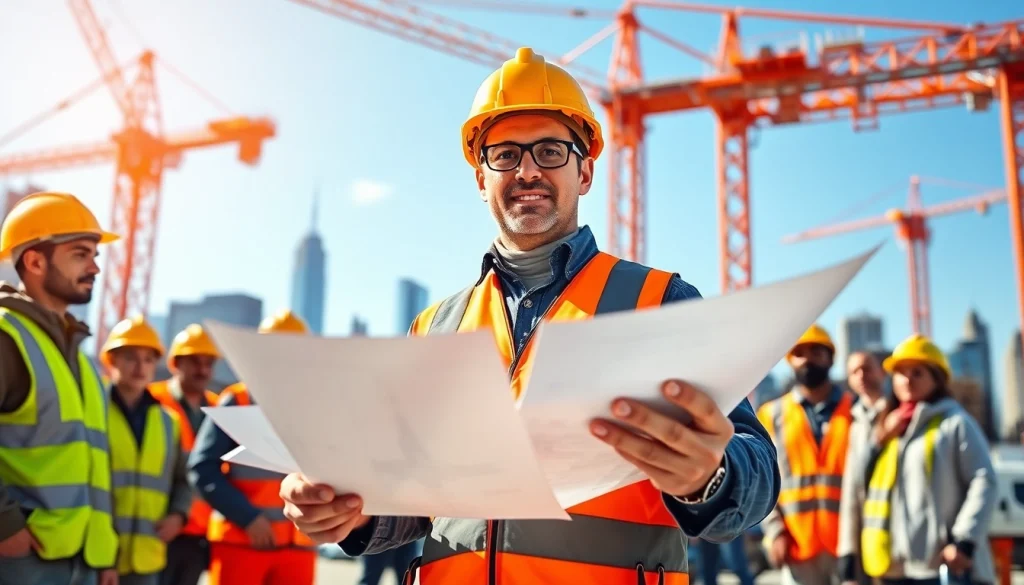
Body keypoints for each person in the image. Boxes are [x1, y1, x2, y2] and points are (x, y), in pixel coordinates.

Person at [276, 46, 781, 585]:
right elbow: (413, 500)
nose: (527, 171)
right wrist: (352, 510)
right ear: (480, 178)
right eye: (505, 155)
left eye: (550, 151)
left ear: (585, 172)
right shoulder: (434, 328)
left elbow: (757, 471)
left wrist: (711, 476)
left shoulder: (659, 303)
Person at [0, 191, 120, 585]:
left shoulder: (83, 361)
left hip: (84, 562)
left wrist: (104, 555)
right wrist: (7, 530)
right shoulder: (5, 336)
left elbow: (93, 467)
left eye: (95, 256)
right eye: (81, 254)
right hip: (23, 561)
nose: (95, 269)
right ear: (35, 261)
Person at [839, 334, 997, 585]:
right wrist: (879, 440)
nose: (907, 380)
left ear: (937, 378)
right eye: (901, 373)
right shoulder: (887, 426)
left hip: (943, 567)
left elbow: (984, 480)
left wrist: (964, 541)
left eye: (918, 372)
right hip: (893, 569)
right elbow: (859, 488)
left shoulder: (955, 422)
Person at [188, 310, 318, 585]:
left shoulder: (316, 407)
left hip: (300, 547)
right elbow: (202, 467)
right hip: (243, 542)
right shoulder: (237, 399)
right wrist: (248, 518)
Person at [100, 315, 193, 585]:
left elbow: (183, 478)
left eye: (149, 359)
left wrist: (178, 514)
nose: (141, 367)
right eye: (131, 357)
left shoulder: (168, 422)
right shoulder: (92, 411)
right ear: (112, 360)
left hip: (148, 555)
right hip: (98, 551)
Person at [758, 324, 852, 585]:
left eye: (817, 352)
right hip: (797, 545)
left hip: (849, 545)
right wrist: (775, 532)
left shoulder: (856, 411)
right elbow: (763, 480)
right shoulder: (771, 414)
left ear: (831, 359)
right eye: (800, 353)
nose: (808, 359)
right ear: (790, 361)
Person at [149, 324, 221, 585]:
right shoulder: (152, 399)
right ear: (176, 363)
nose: (203, 370)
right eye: (194, 362)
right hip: (158, 526)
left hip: (201, 531)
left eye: (208, 363)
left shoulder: (220, 407)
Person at [837, 350, 888, 585]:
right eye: (853, 371)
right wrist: (847, 555)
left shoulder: (900, 414)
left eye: (866, 368)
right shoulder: (854, 424)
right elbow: (851, 492)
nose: (861, 375)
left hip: (899, 549)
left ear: (882, 371)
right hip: (868, 545)